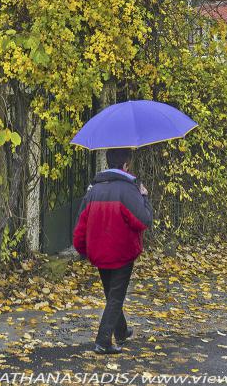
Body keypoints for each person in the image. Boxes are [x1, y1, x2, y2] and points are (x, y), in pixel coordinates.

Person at [73, 148, 153, 354]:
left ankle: (122, 331)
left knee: (112, 294)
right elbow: (143, 220)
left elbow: (81, 222)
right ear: (126, 165)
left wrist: (82, 249)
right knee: (116, 297)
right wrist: (144, 197)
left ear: (108, 163)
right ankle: (103, 341)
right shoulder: (128, 190)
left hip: (98, 252)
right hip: (122, 252)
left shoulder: (94, 189)